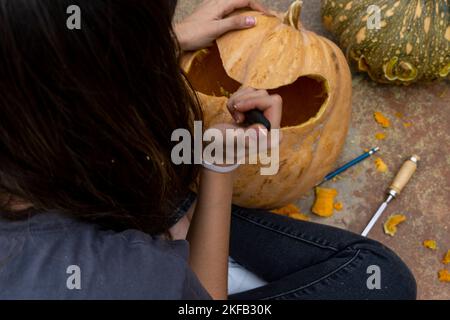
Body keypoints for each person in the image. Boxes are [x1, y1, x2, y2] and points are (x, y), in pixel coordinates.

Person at [0, 0, 416, 300]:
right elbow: (202, 300)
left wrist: (156, 41)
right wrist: (218, 166)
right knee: (377, 276)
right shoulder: (108, 276)